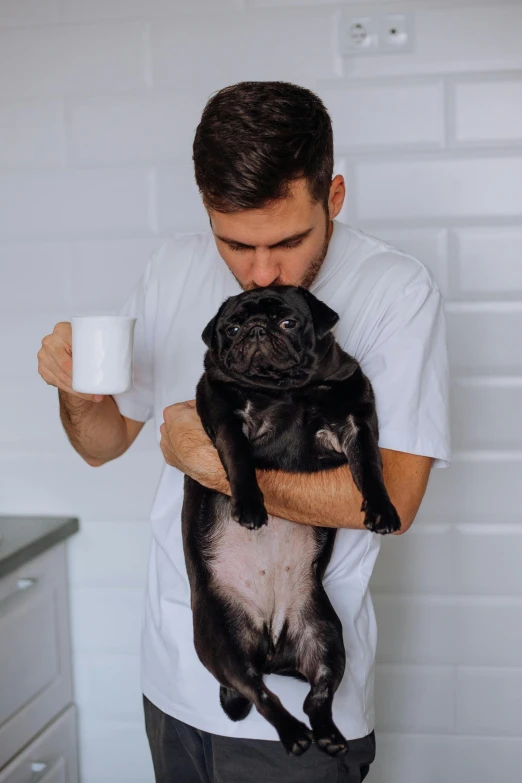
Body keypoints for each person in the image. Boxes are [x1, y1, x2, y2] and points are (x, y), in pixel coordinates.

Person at [38, 81, 451, 783]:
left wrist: (219, 466)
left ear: (335, 197)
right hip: (173, 672)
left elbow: (397, 499)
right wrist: (75, 392)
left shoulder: (397, 290)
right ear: (206, 210)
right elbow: (103, 443)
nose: (261, 271)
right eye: (235, 243)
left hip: (306, 688)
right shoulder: (171, 268)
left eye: (289, 241)